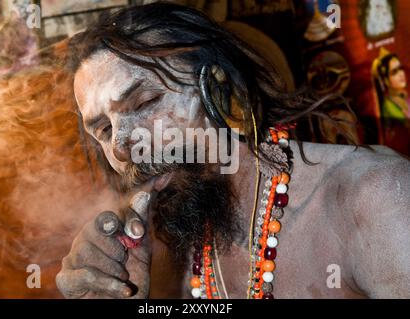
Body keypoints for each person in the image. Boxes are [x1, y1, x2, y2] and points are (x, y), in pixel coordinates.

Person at [56, 3, 410, 299]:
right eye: (103, 129)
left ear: (222, 92)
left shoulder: (376, 197)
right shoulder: (163, 253)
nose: (120, 145)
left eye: (145, 101)